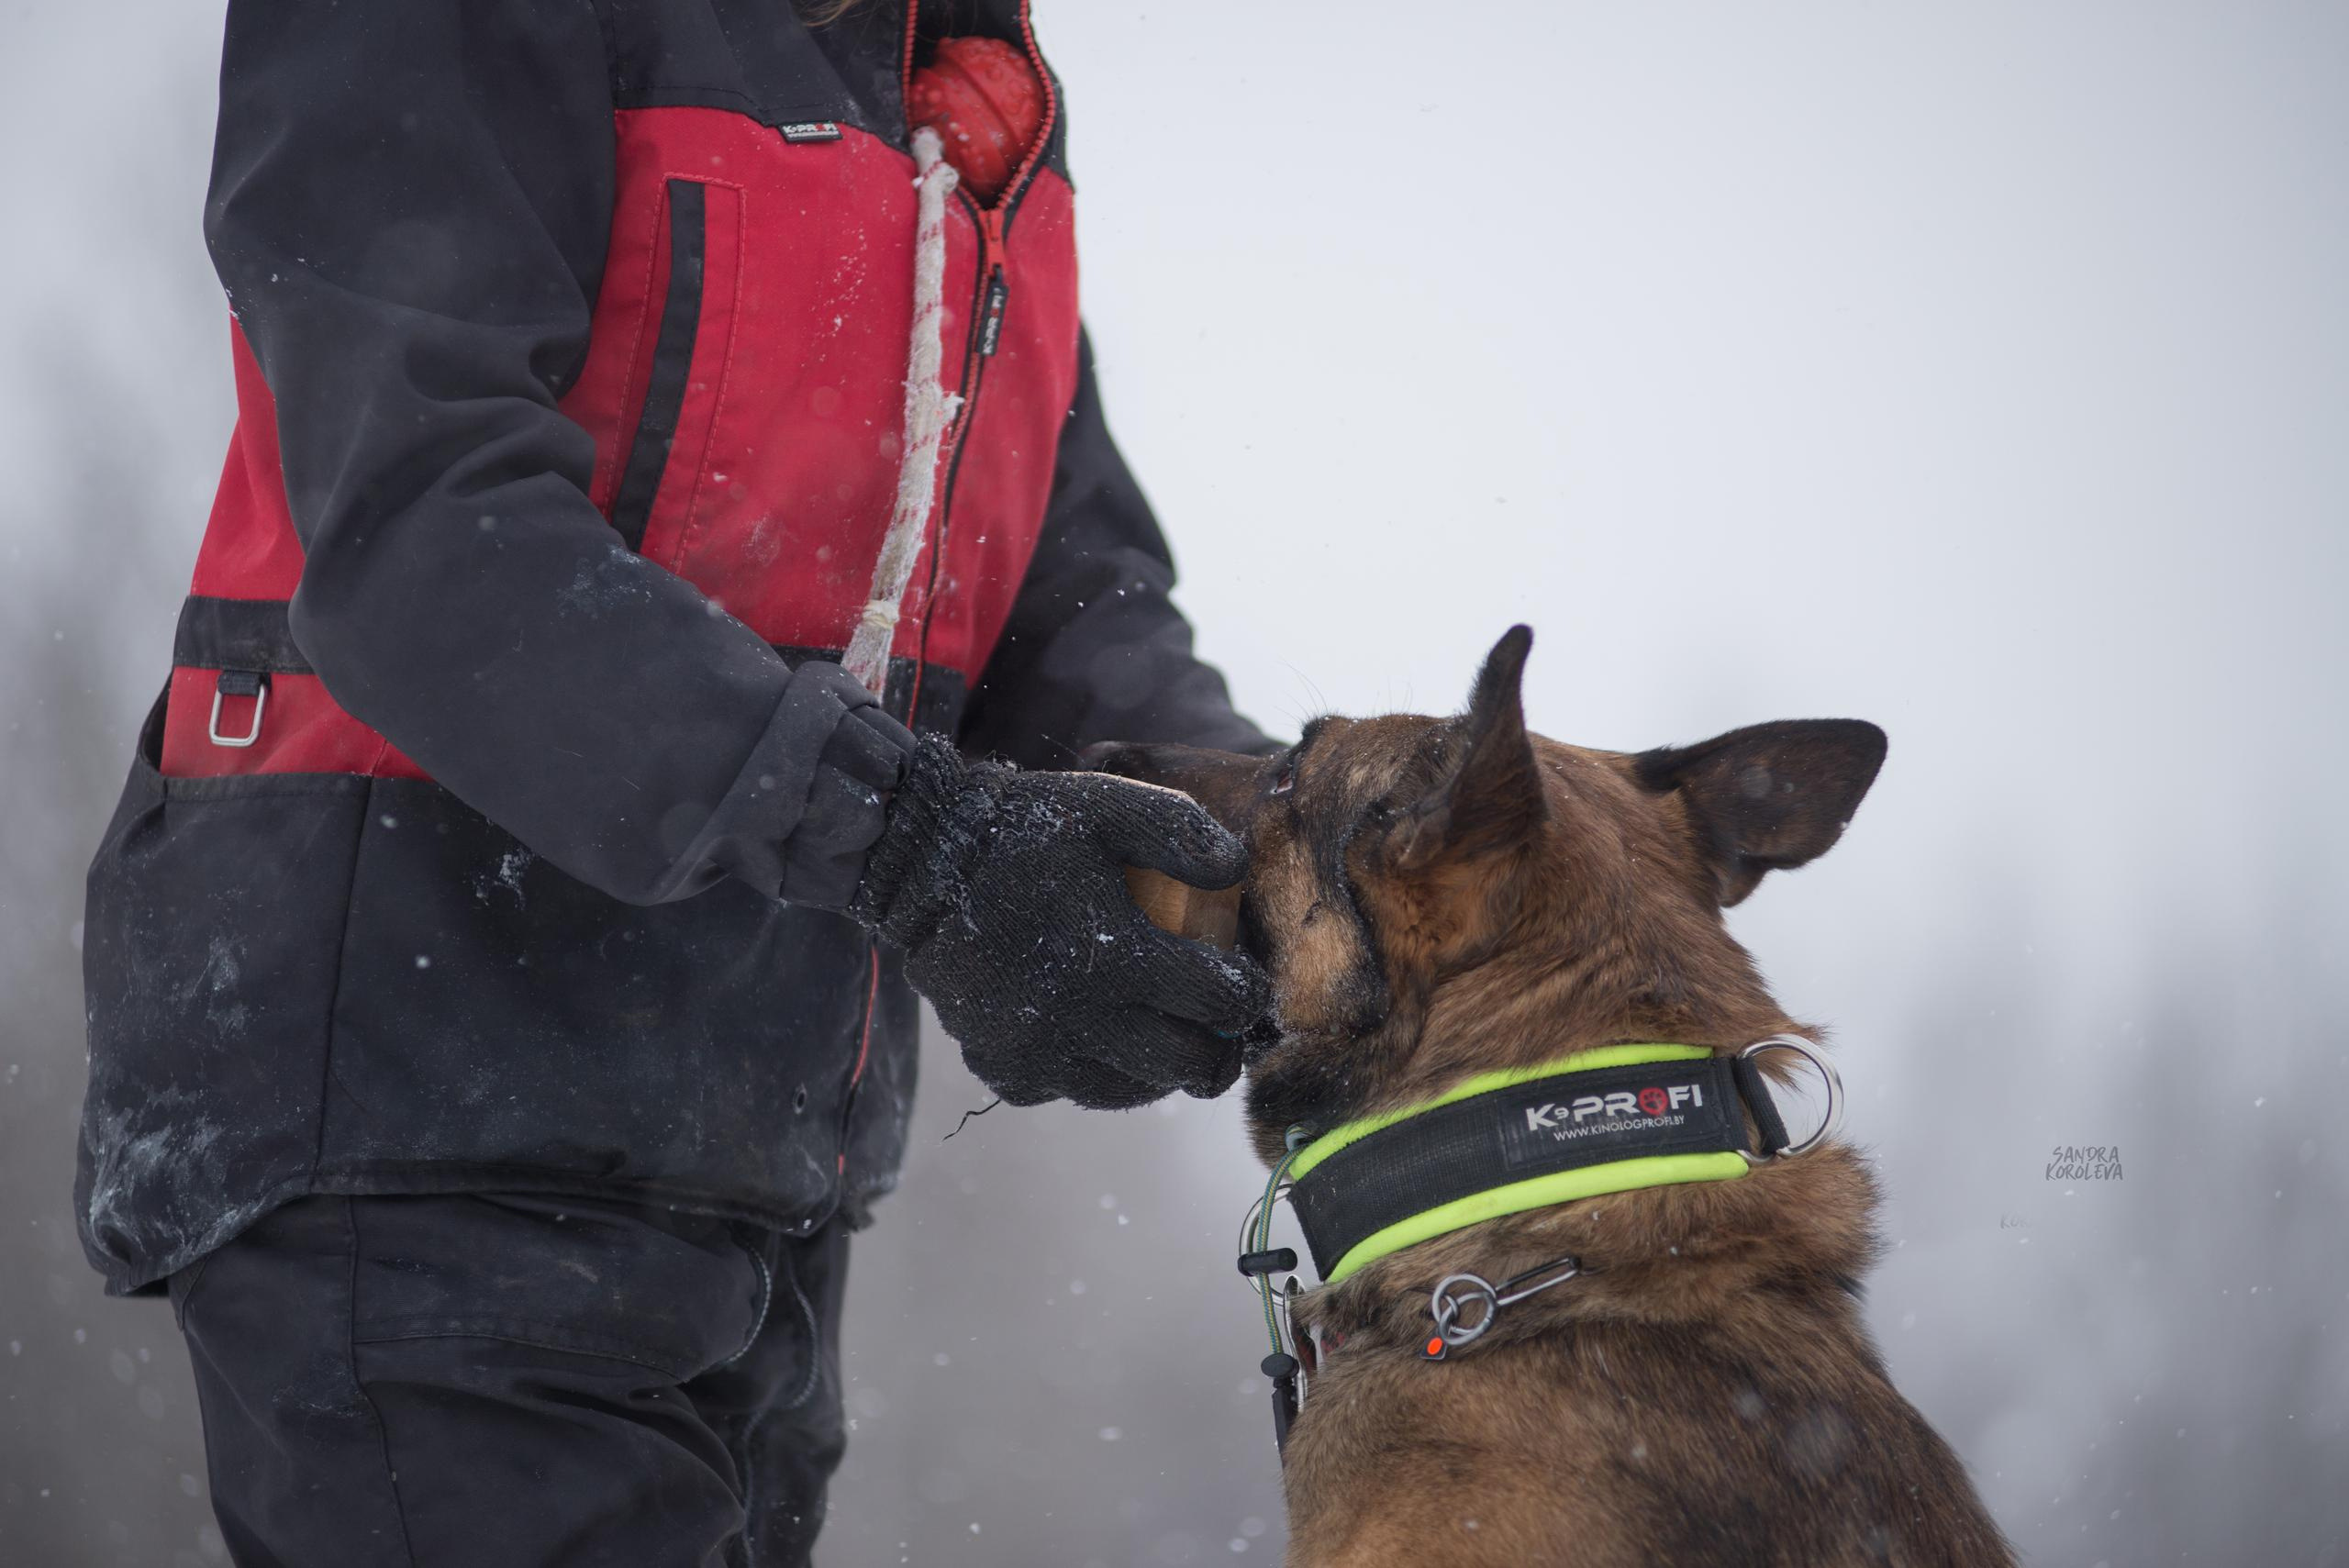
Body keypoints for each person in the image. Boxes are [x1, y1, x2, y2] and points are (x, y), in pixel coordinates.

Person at [73, 3, 1275, 1563]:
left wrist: (1311, 853)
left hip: (752, 1167)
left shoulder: (957, 96)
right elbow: (430, 538)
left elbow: (1066, 602)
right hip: (407, 1115)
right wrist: (913, 844)